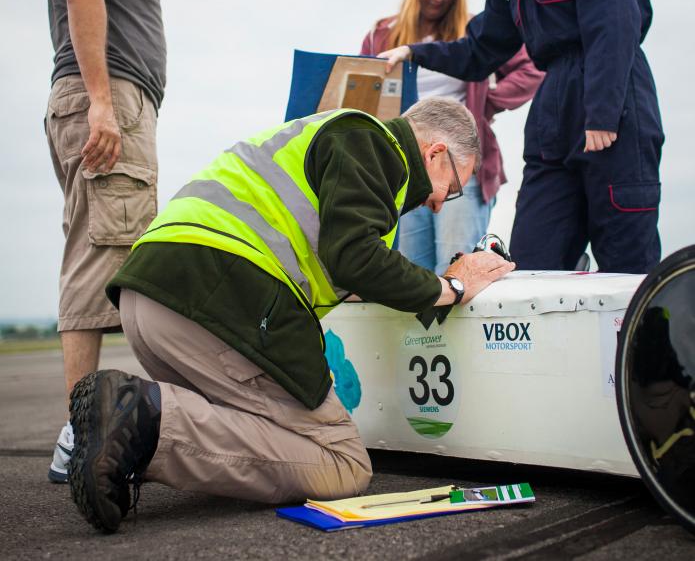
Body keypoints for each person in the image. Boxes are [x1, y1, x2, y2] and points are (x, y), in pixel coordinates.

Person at [66, 99, 515, 533]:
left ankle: (126, 439)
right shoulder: (373, 143)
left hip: (153, 299)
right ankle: (144, 420)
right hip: (219, 296)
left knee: (260, 430)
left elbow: (351, 266)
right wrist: (453, 288)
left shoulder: (344, 148)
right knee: (342, 463)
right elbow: (355, 258)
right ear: (435, 153)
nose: (440, 203)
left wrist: (424, 280)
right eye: (453, 188)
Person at [379, 0, 664, 274]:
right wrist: (413, 52)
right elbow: (479, 51)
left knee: (625, 260)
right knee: (533, 262)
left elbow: (614, 19)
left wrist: (602, 112)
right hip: (553, 110)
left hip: (613, 99)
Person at [45, 0, 207, 484]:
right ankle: (84, 435)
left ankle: (83, 429)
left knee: (101, 250)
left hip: (93, 97)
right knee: (106, 259)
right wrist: (105, 104)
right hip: (107, 97)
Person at [361, 0, 542, 274]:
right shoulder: (382, 35)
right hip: (405, 170)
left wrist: (488, 99)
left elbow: (532, 67)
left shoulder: (473, 35)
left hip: (462, 168)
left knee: (456, 266)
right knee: (410, 270)